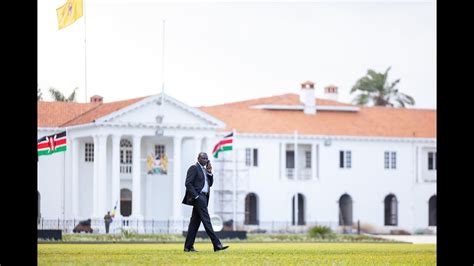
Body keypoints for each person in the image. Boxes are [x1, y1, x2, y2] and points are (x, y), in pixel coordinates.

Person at [182, 152, 229, 252]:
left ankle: (188, 247)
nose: (205, 160)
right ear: (198, 158)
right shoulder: (194, 168)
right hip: (199, 197)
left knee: (194, 224)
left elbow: (210, 184)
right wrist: (196, 196)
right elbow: (188, 183)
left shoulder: (205, 170)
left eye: (207, 159)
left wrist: (209, 172)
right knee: (207, 221)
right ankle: (217, 244)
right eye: (203, 158)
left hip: (204, 197)